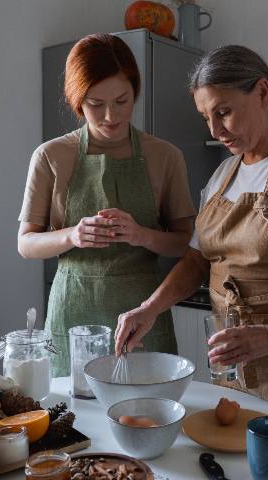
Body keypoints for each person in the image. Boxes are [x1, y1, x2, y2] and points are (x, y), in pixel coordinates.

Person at [114, 45, 268, 473]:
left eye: (225, 112)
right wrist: (150, 307)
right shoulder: (222, 175)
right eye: (206, 118)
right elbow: (197, 262)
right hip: (231, 364)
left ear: (264, 93)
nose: (216, 130)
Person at [18, 33, 196, 376]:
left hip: (143, 311)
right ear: (77, 100)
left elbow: (185, 243)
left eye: (122, 100)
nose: (110, 115)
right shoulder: (51, 156)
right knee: (74, 421)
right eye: (95, 104)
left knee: (146, 415)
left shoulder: (165, 156)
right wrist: (72, 235)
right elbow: (26, 243)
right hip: (72, 313)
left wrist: (141, 234)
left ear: (135, 93)